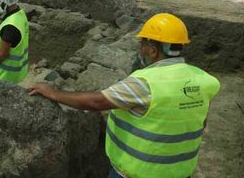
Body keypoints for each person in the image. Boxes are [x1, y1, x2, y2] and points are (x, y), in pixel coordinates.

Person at [28, 13, 220, 178]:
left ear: (153, 50)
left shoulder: (145, 84)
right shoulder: (203, 80)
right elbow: (199, 122)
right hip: (180, 172)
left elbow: (97, 101)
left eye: (143, 44)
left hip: (136, 173)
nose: (140, 49)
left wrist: (53, 93)